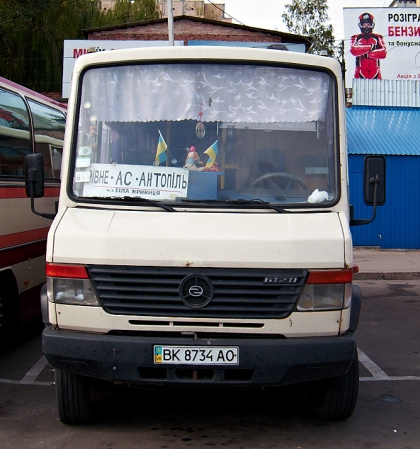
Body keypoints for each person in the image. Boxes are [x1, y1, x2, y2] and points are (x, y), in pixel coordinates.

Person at [350, 12, 387, 80]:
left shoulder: (378, 37)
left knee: (379, 90)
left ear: (372, 25)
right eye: (364, 24)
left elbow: (383, 53)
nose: (366, 26)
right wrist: (371, 47)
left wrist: (365, 53)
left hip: (376, 73)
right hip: (360, 73)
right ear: (360, 25)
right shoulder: (356, 38)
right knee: (358, 90)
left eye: (368, 24)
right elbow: (353, 50)